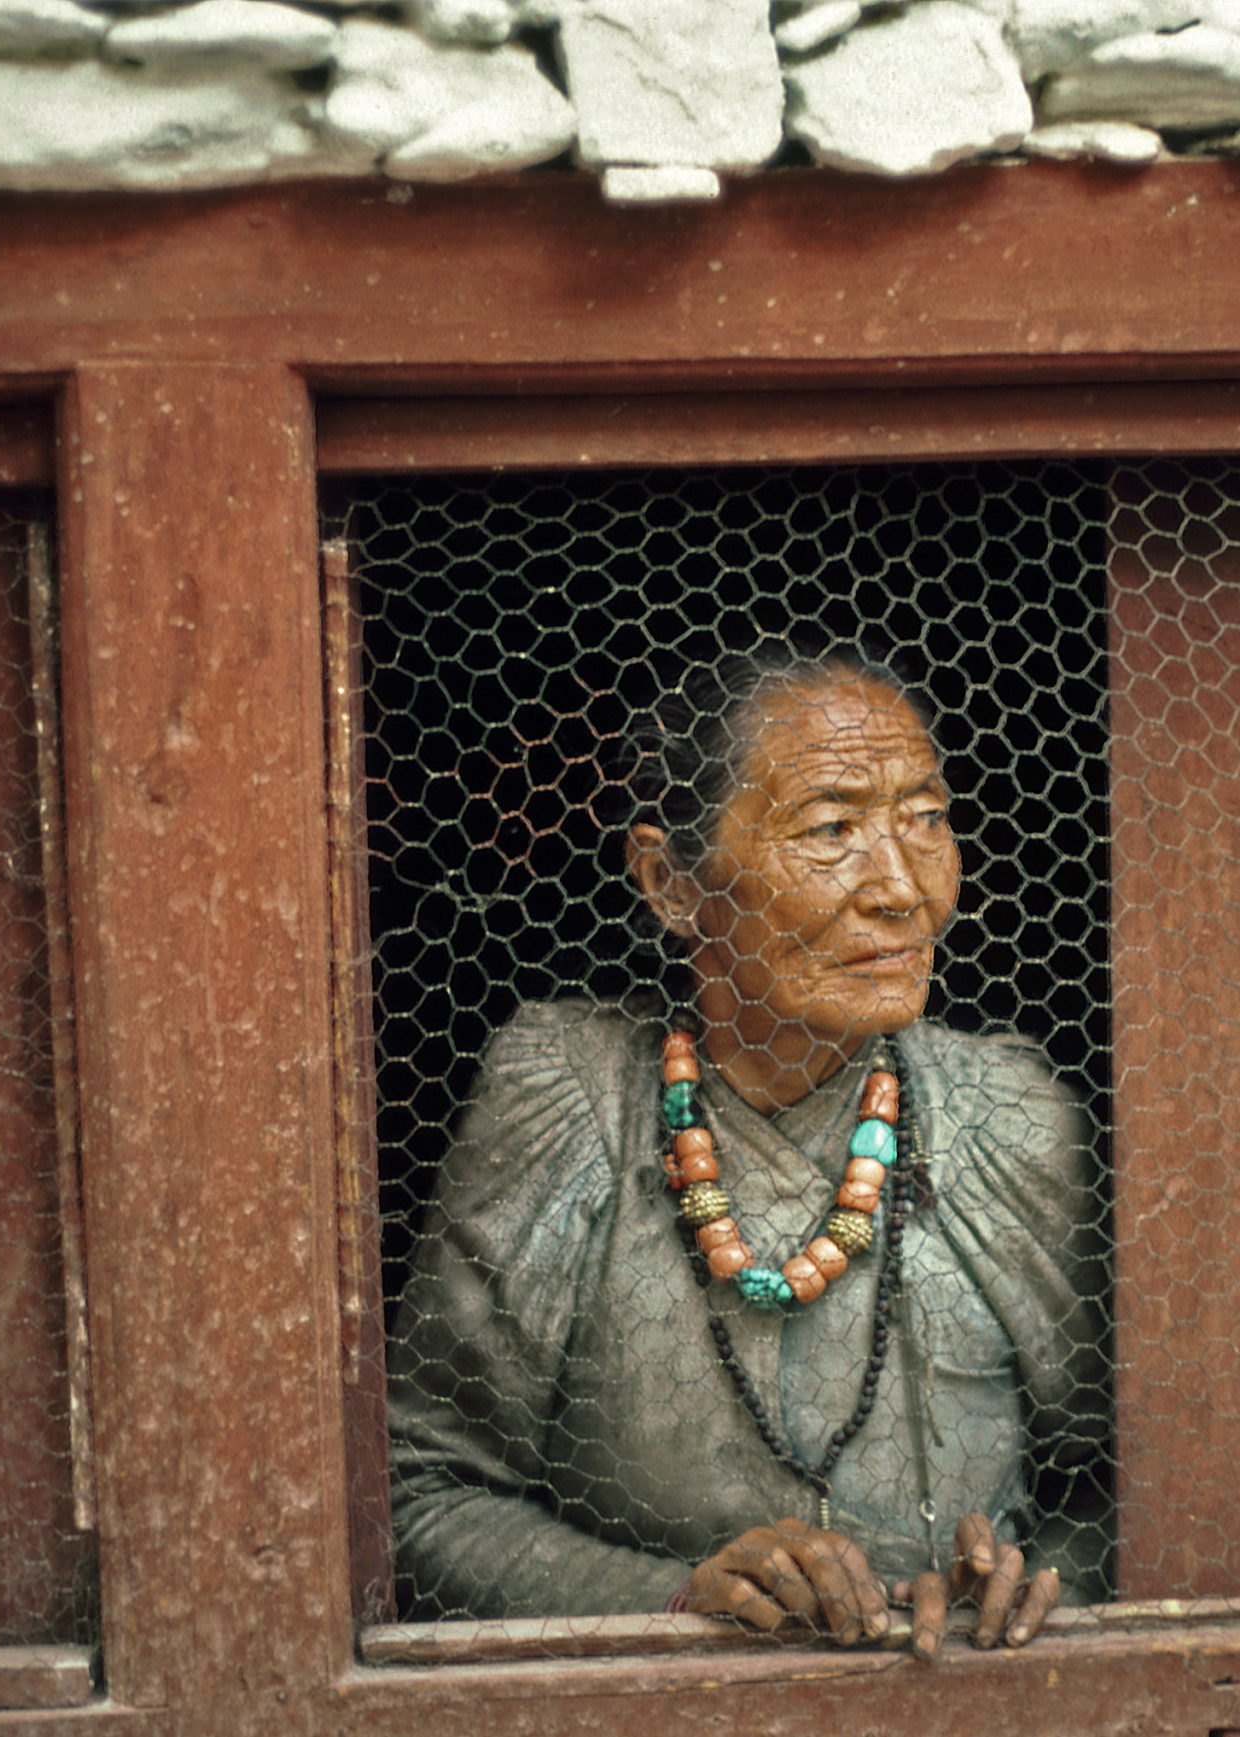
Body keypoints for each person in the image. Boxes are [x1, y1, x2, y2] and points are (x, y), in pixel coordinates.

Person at [384, 640, 1112, 1656]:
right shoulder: (567, 1099)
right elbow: (419, 1497)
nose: (903, 889)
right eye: (832, 829)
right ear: (669, 881)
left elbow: (1127, 1487)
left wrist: (1040, 1590)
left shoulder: (1010, 1119)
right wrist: (683, 1599)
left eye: (927, 820)